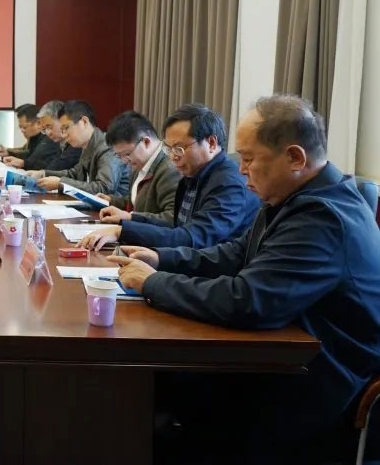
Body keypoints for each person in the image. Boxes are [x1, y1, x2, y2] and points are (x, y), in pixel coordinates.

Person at [109, 95, 380, 462]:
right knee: (155, 384)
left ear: (295, 158)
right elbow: (236, 253)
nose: (241, 170)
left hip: (317, 383)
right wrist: (161, 258)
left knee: (155, 392)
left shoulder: (323, 217)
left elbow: (249, 299)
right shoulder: (295, 198)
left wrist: (152, 283)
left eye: (249, 160)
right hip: (282, 356)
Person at [78, 103, 260, 251]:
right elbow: (176, 224)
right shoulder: (193, 174)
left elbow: (193, 238)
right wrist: (127, 223)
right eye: (169, 148)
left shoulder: (229, 185)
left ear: (211, 143)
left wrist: (122, 231)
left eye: (179, 148)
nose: (172, 157)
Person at [22, 100, 129, 196]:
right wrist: (43, 174)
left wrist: (61, 183)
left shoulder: (106, 146)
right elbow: (75, 173)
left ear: (84, 122)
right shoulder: (88, 145)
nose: (64, 135)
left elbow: (104, 188)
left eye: (66, 128)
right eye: (62, 130)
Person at [92, 111, 180, 225]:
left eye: (127, 154)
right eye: (119, 156)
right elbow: (135, 202)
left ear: (146, 142)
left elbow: (172, 218)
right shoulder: (140, 164)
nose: (124, 160)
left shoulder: (170, 169)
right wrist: (111, 200)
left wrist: (131, 217)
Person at [3, 101, 81, 172]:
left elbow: (59, 167)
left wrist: (42, 173)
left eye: (49, 127)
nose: (48, 133)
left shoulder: (75, 143)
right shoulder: (59, 142)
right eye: (45, 129)